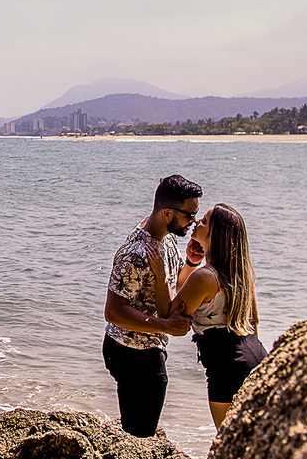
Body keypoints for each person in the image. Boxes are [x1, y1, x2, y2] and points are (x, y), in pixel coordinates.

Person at [148, 203, 267, 428]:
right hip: (257, 356)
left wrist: (160, 273)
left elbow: (168, 314)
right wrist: (191, 263)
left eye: (203, 221)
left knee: (229, 443)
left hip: (227, 368)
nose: (195, 223)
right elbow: (254, 321)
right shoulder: (240, 273)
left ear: (215, 234)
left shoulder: (205, 277)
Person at [103, 174, 202, 438]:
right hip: (131, 352)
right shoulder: (136, 254)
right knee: (140, 435)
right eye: (189, 216)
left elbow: (172, 285)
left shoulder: (167, 238)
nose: (192, 223)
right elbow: (113, 312)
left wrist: (191, 264)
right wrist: (165, 326)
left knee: (137, 432)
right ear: (167, 212)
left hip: (147, 348)